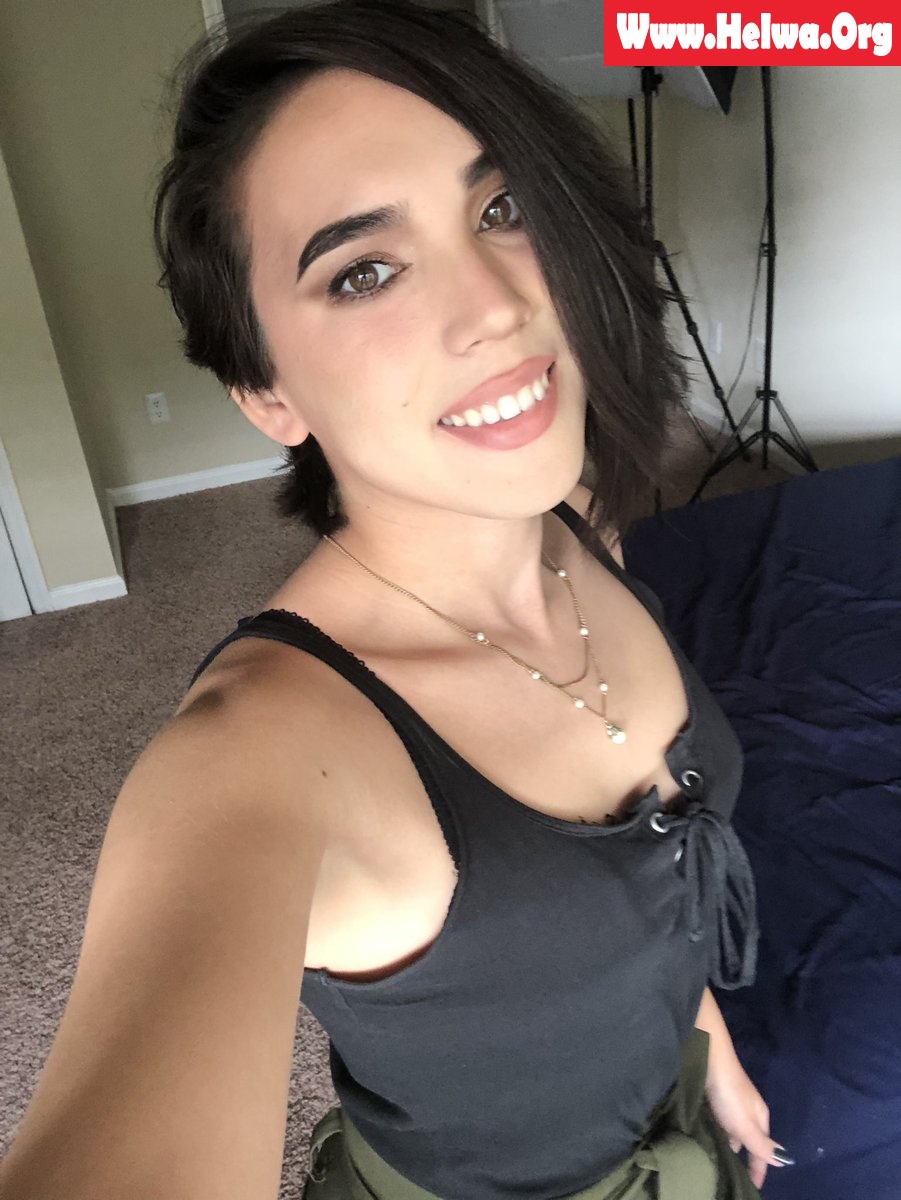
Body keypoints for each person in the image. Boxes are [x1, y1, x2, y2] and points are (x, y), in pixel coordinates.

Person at [0, 2, 793, 1198]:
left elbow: (653, 897)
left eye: (503, 209)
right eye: (362, 271)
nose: (496, 306)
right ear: (267, 394)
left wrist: (706, 1045)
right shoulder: (258, 759)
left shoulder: (574, 519)